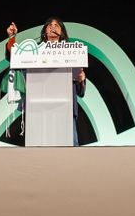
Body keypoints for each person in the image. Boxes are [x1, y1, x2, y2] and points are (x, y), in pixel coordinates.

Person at [5, 17, 86, 146]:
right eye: (49, 25)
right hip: (37, 107)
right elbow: (14, 57)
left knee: (70, 150)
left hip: (65, 107)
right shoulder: (34, 51)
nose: (52, 27)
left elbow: (80, 89)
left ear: (62, 32)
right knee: (38, 151)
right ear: (45, 31)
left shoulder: (71, 53)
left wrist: (81, 79)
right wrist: (12, 38)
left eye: (56, 25)